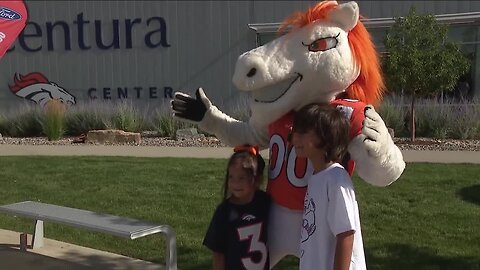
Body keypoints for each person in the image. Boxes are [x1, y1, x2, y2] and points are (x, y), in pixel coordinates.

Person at [292, 103, 366, 270]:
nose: (295, 138)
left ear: (325, 138)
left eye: (303, 132)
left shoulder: (336, 179)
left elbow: (346, 234)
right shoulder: (317, 177)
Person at [203, 144, 271, 270]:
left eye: (241, 178)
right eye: (231, 177)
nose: (235, 183)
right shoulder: (224, 212)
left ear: (257, 179)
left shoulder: (264, 202)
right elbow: (218, 253)